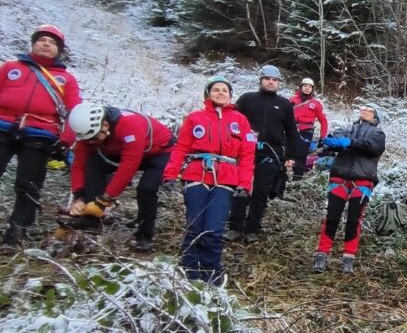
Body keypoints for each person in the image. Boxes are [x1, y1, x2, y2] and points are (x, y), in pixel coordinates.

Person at [0, 24, 81, 249]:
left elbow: (74, 111)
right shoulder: (10, 69)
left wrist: (66, 141)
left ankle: (16, 235)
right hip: (0, 128)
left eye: (52, 42)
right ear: (33, 44)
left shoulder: (66, 80)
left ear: (59, 50)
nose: (46, 44)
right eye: (41, 40)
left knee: (29, 187)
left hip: (41, 134)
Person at [162, 76, 256, 285]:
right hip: (197, 174)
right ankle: (188, 270)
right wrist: (170, 174)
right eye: (216, 90)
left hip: (226, 177)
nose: (221, 93)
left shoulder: (240, 121)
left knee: (214, 228)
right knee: (195, 225)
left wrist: (245, 183)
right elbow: (181, 148)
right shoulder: (194, 118)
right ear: (208, 94)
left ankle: (210, 271)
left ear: (231, 96)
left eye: (225, 90)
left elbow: (247, 155)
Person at [65, 103, 176, 252]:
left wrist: (105, 198)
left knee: (146, 188)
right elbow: (79, 164)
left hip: (159, 152)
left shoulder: (129, 126)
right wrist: (79, 196)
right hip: (119, 150)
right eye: (88, 140)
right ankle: (91, 221)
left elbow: (128, 167)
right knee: (93, 165)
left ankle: (144, 235)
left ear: (105, 125)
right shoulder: (87, 132)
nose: (91, 142)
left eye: (95, 138)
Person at [227, 65, 304, 243]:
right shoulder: (247, 99)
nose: (271, 82)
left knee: (261, 192)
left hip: (271, 153)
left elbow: (291, 131)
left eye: (274, 80)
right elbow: (232, 123)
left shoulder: (284, 104)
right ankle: (235, 227)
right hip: (245, 151)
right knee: (241, 189)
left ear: (278, 83)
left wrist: (293, 157)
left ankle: (252, 228)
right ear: (261, 80)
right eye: (267, 79)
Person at [312, 103, 386, 273]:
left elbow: (373, 148)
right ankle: (321, 254)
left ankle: (348, 257)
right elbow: (333, 140)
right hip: (339, 177)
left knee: (354, 220)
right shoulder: (347, 128)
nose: (365, 111)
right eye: (363, 109)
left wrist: (349, 143)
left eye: (369, 110)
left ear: (376, 117)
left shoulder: (378, 133)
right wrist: (335, 142)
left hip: (363, 181)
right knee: (332, 217)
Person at [289, 77, 329, 179]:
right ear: (301, 87)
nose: (307, 88)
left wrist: (322, 137)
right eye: (305, 86)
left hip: (306, 130)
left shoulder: (316, 103)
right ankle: (282, 177)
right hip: (291, 129)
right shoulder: (291, 100)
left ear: (312, 89)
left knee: (301, 154)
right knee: (287, 152)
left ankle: (297, 179)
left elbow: (323, 121)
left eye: (310, 87)